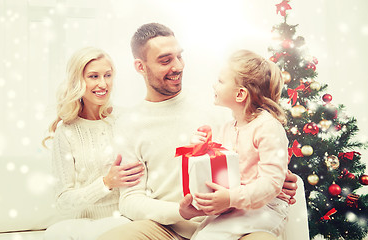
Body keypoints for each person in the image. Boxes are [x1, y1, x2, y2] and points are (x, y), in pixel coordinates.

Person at [98, 23, 297, 240]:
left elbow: (256, 153)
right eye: (165, 60)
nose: (177, 66)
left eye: (179, 56)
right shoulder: (129, 124)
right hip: (167, 228)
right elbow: (130, 200)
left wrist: (277, 182)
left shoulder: (220, 103)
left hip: (232, 218)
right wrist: (180, 212)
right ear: (140, 66)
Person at [181, 49, 290, 240]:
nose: (214, 85)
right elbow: (215, 169)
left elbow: (272, 183)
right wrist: (199, 147)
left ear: (240, 94)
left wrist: (231, 198)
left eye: (221, 81)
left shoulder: (268, 127)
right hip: (235, 206)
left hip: (265, 208)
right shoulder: (226, 128)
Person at [42, 46, 144, 240]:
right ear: (78, 81)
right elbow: (63, 201)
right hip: (82, 224)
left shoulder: (126, 119)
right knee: (54, 234)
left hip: (123, 219)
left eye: (108, 75)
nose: (103, 84)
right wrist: (106, 183)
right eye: (94, 76)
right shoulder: (66, 131)